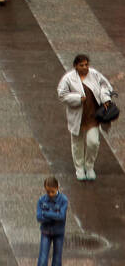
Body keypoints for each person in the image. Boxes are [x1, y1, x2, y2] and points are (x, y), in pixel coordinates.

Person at [56, 54, 115, 182]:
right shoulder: (68, 78)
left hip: (93, 117)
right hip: (77, 117)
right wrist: (77, 98)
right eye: (81, 65)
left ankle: (89, 166)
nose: (85, 67)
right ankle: (79, 168)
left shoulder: (94, 74)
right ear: (75, 66)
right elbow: (62, 94)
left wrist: (105, 99)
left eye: (86, 64)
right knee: (77, 144)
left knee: (93, 142)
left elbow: (105, 86)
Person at [29, 178, 68, 266]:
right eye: (48, 192)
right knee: (42, 259)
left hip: (58, 233)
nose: (50, 194)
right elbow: (39, 218)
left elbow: (61, 216)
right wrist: (53, 215)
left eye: (52, 191)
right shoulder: (41, 200)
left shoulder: (63, 200)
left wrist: (47, 214)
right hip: (46, 232)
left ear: (57, 188)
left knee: (57, 260)